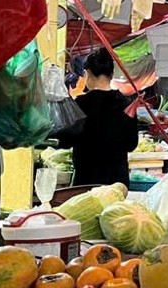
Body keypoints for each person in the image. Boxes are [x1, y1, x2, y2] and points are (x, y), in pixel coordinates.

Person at [57, 47, 138, 186]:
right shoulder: (126, 104)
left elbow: (66, 140)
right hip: (117, 181)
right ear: (111, 74)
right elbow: (131, 145)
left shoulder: (81, 103)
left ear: (86, 73)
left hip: (87, 179)